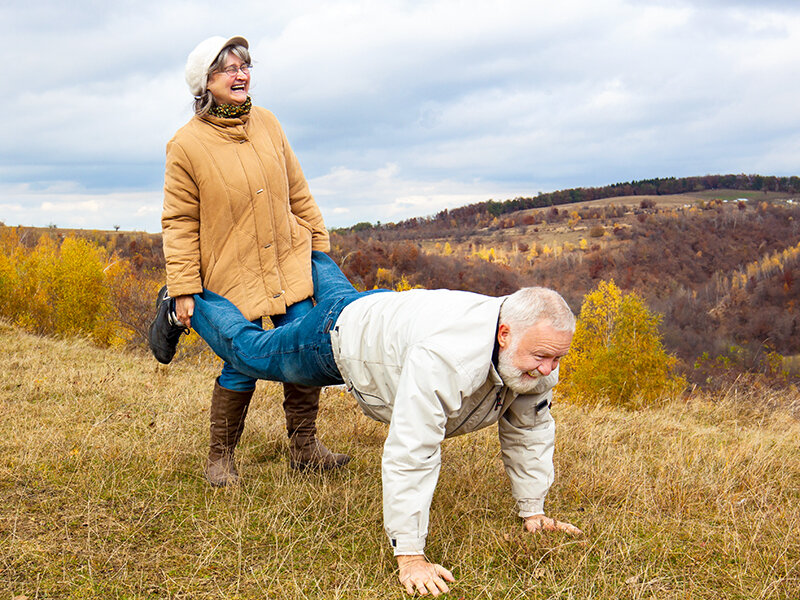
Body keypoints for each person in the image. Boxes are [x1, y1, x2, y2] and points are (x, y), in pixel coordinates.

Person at [151, 251, 583, 596]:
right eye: (541, 356)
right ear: (504, 333)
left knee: (338, 290)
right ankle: (182, 299)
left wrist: (534, 511)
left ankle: (304, 241)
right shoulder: (447, 359)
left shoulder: (531, 358)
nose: (548, 370)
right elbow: (412, 451)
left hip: (375, 307)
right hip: (335, 339)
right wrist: (411, 556)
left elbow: (530, 430)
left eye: (557, 358)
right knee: (250, 351)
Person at [151, 35, 349, 487]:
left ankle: (304, 448)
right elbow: (179, 221)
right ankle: (219, 459)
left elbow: (297, 189)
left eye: (244, 66)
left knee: (305, 343)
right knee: (241, 360)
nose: (240, 75)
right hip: (230, 269)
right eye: (227, 69)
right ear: (205, 83)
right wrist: (183, 285)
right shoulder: (185, 145)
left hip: (286, 260)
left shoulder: (269, 123)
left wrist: (318, 246)